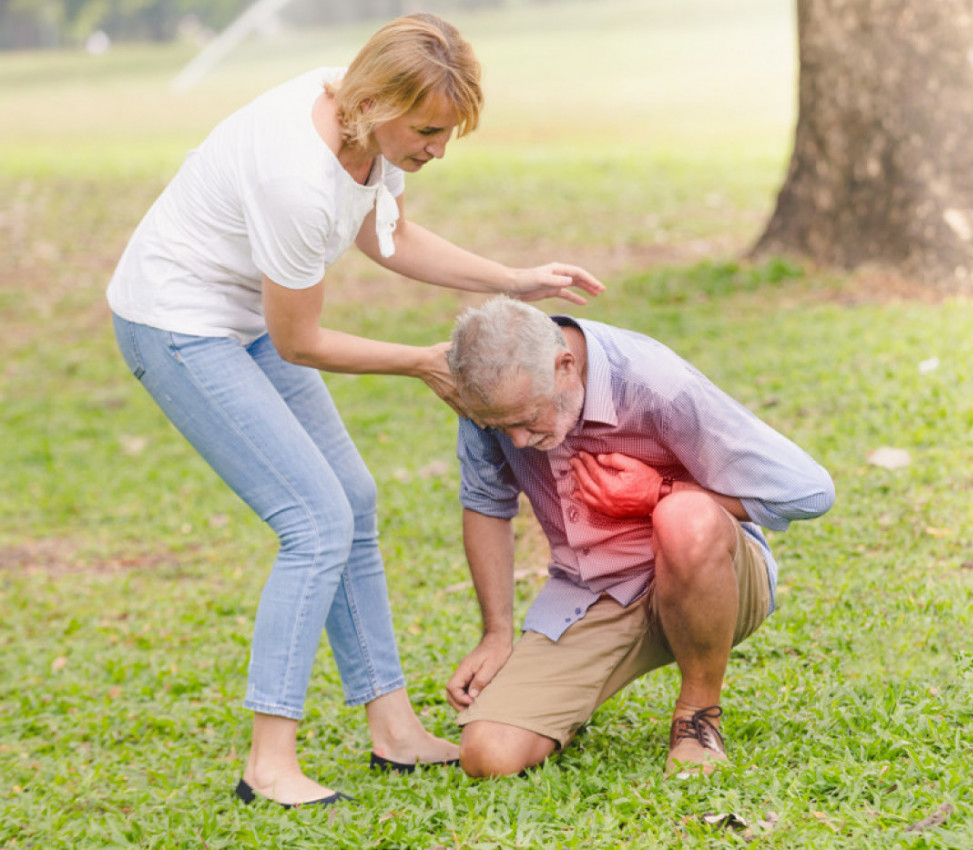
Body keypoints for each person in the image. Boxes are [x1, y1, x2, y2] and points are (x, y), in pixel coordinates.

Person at [106, 15, 603, 808]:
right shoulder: (295, 178)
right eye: (431, 130)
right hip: (178, 326)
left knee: (355, 502)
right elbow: (298, 340)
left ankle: (394, 729)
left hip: (244, 319)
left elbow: (390, 234)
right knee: (313, 521)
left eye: (450, 132)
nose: (439, 149)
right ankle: (269, 764)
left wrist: (513, 278)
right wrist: (419, 361)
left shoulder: (359, 120)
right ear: (378, 102)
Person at [443, 297, 834, 778]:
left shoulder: (654, 381)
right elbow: (486, 503)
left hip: (711, 573)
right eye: (502, 427)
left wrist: (658, 490)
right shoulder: (488, 399)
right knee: (489, 756)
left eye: (528, 418)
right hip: (594, 596)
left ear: (565, 365)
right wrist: (496, 634)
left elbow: (810, 492)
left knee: (683, 515)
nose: (518, 441)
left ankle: (697, 718)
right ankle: (569, 700)